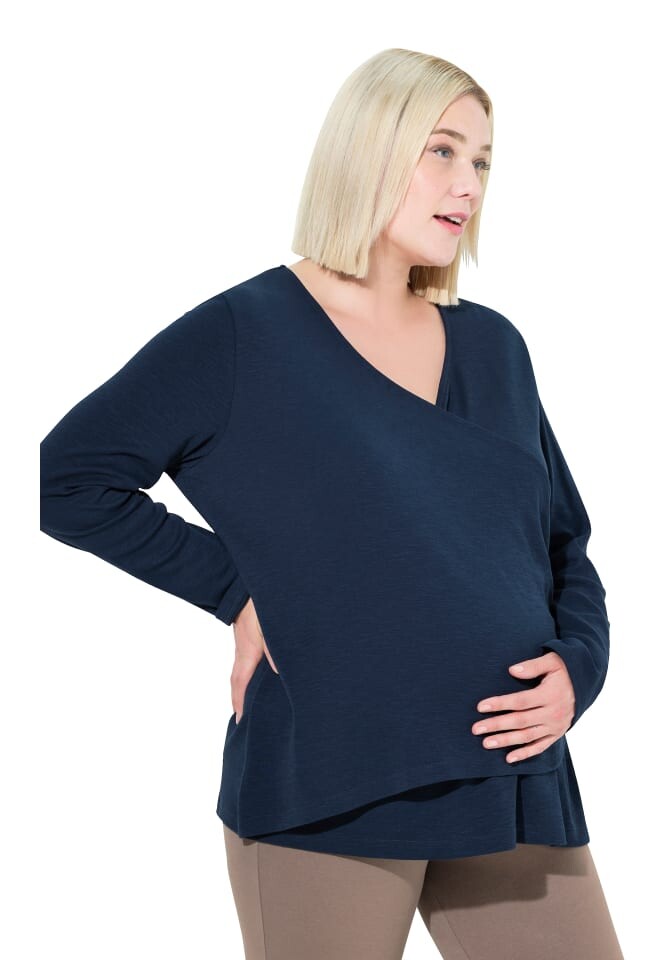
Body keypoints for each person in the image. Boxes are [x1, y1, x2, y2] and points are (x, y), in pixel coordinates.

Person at [39, 47, 624, 959]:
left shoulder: (494, 348)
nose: (468, 184)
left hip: (510, 771)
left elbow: (561, 547)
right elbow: (65, 478)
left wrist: (579, 668)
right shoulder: (244, 335)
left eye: (482, 160)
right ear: (370, 148)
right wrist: (235, 589)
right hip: (331, 779)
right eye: (442, 149)